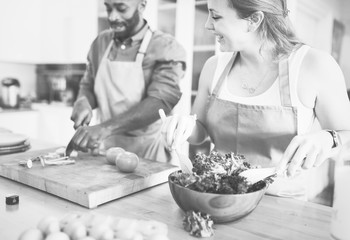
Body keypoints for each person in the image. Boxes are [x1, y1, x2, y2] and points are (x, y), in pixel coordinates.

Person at [161, 0, 350, 200]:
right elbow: (200, 132)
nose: (207, 24)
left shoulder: (314, 65)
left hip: (281, 205)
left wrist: (329, 138)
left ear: (254, 20)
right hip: (218, 198)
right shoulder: (213, 67)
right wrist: (183, 125)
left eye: (216, 16)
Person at [69, 0, 186, 162]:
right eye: (108, 8)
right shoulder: (100, 43)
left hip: (149, 153)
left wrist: (105, 128)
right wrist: (83, 100)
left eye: (121, 8)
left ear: (142, 5)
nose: (112, 16)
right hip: (105, 150)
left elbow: (160, 101)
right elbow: (89, 84)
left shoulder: (165, 47)